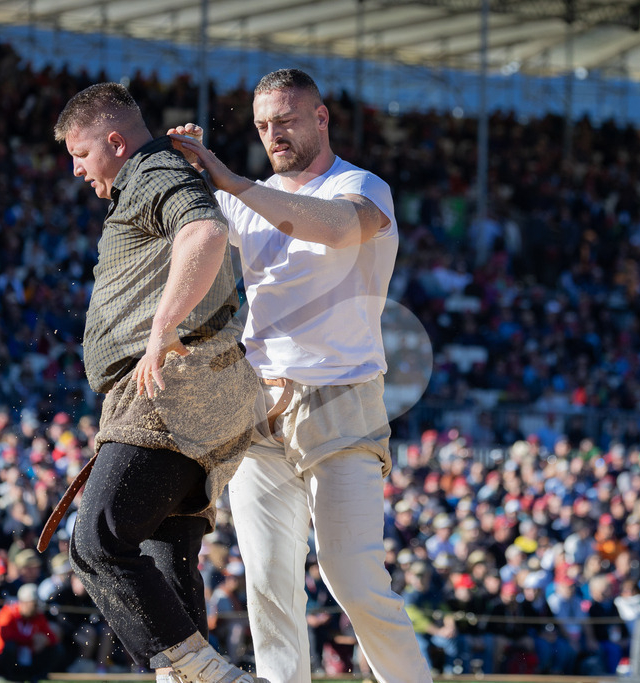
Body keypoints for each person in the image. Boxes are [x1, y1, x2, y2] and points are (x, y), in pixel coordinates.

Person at [170, 68, 431, 682]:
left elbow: (338, 228)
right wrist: (173, 168)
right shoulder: (242, 199)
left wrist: (230, 181)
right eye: (262, 126)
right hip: (257, 401)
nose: (273, 135)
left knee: (353, 576)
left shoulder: (363, 186)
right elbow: (193, 239)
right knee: (265, 582)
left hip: (340, 398)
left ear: (321, 117)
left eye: (285, 120)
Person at [52, 82, 262, 682]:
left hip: (176, 382)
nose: (76, 170)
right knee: (164, 557)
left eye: (82, 154)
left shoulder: (149, 170)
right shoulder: (156, 172)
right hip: (201, 387)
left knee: (98, 540)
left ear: (115, 142)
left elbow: (204, 232)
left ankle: (215, 678)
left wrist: (161, 330)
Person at [0, 583, 62, 682]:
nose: (36, 607)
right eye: (33, 604)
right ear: (23, 603)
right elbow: (6, 635)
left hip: (28, 657)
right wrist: (32, 639)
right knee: (11, 646)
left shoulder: (37, 616)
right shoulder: (7, 613)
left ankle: (38, 676)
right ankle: (9, 677)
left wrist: (45, 640)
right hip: (4, 658)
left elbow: (52, 637)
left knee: (57, 649)